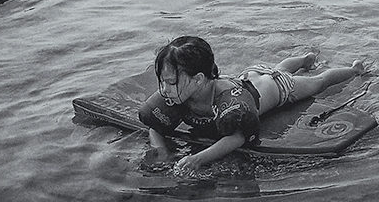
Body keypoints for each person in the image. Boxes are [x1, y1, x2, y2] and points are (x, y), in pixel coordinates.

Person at [138, 36, 367, 173]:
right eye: (162, 82)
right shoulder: (180, 93)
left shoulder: (230, 100)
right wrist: (161, 151)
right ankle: (305, 60)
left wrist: (197, 159)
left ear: (198, 79)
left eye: (169, 82)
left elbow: (237, 137)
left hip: (278, 88)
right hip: (249, 76)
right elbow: (155, 125)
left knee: (317, 82)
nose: (164, 90)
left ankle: (354, 69)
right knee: (278, 67)